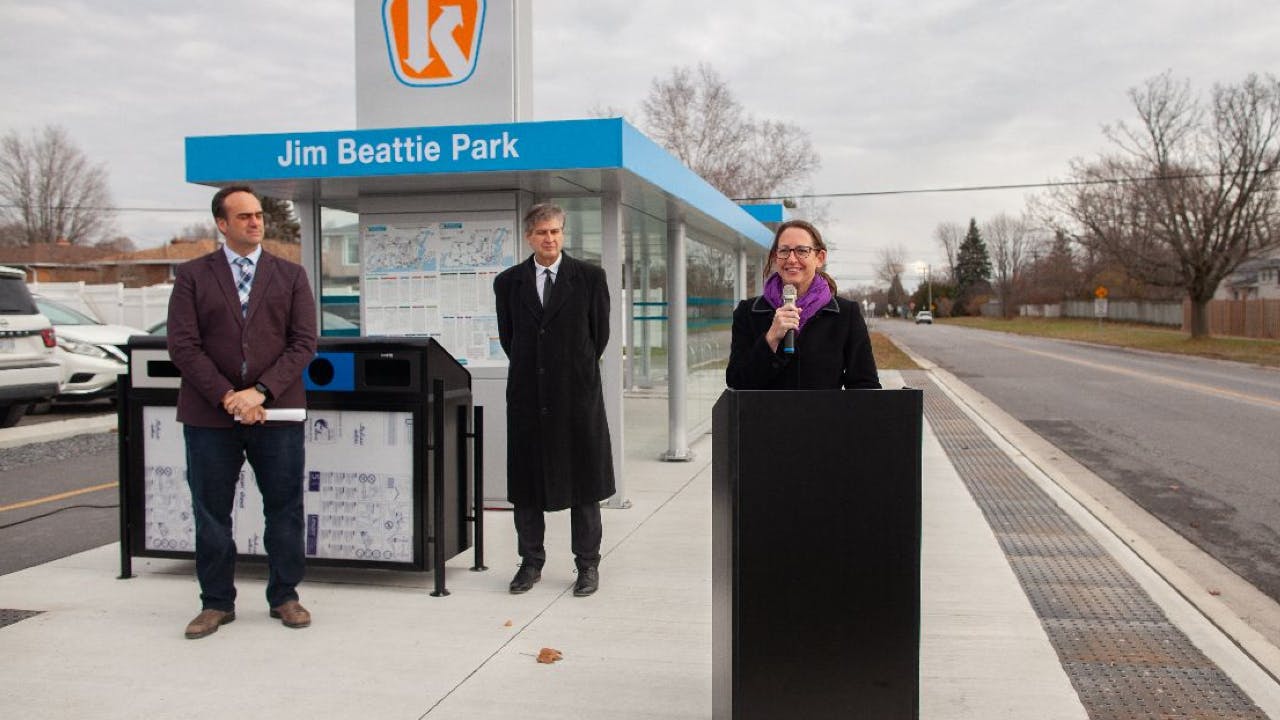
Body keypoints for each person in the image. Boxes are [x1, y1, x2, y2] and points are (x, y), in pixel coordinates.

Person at [167, 185, 318, 639]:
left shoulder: (290, 275)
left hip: (277, 415)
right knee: (211, 512)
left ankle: (285, 596)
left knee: (285, 508)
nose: (256, 222)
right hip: (210, 416)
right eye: (245, 216)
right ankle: (215, 603)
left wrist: (261, 392)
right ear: (222, 224)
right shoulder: (193, 275)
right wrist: (230, 396)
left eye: (259, 215)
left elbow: (304, 343)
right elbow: (183, 345)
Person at [493, 203, 615, 597]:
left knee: (584, 485)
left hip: (576, 397)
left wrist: (570, 369)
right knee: (528, 486)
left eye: (556, 232)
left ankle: (587, 565)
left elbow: (599, 337)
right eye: (542, 232)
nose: (550, 239)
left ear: (564, 234)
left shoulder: (590, 278)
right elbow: (511, 337)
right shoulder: (508, 283)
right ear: (529, 236)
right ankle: (530, 563)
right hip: (529, 397)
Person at [726, 219, 881, 390]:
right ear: (775, 258)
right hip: (765, 417)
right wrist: (770, 339)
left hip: (823, 417)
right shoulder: (748, 312)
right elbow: (736, 381)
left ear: (820, 258)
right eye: (784, 251)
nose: (792, 259)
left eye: (802, 250)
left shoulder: (845, 314)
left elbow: (866, 386)